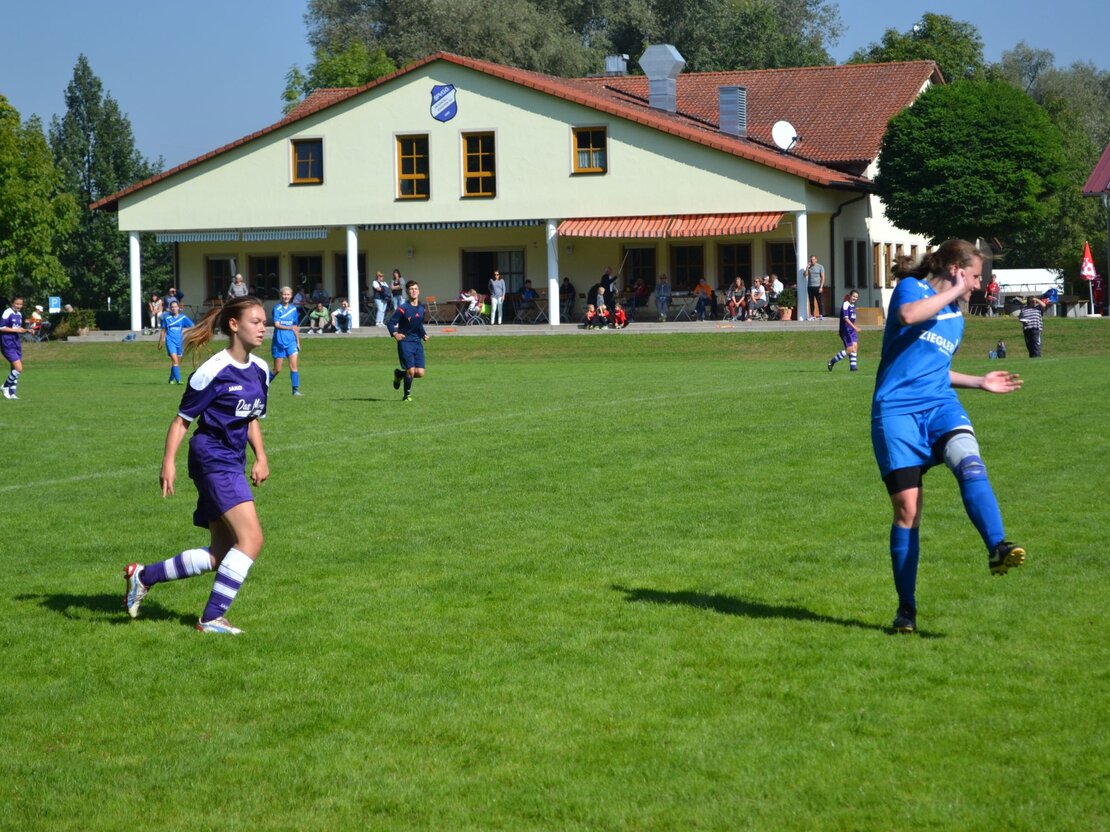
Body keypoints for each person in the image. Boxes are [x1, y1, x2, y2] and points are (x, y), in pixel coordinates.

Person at [871, 239, 1025, 635]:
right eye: (974, 276)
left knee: (969, 462)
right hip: (897, 412)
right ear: (956, 270)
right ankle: (906, 610)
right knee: (907, 511)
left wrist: (979, 381)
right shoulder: (912, 289)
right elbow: (907, 316)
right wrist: (954, 291)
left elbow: (937, 370)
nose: (977, 284)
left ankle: (998, 546)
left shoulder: (956, 317)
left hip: (940, 406)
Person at [123, 296, 270, 636]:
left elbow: (250, 417)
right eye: (256, 321)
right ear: (234, 325)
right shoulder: (212, 371)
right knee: (251, 539)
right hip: (212, 458)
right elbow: (181, 421)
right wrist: (168, 463)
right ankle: (211, 619)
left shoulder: (260, 370)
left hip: (232, 460)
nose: (263, 328)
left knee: (220, 554)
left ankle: (143, 576)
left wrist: (261, 456)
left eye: (264, 322)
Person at [388, 279, 428, 402]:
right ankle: (406, 396)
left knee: (420, 373)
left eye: (415, 289)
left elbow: (418, 324)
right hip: (405, 342)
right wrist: (395, 334)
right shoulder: (403, 308)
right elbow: (390, 322)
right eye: (411, 289)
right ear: (407, 292)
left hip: (417, 343)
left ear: (419, 291)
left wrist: (423, 334)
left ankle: (399, 375)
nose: (413, 291)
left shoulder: (422, 308)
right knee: (410, 370)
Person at [270, 286, 303, 396]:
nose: (286, 296)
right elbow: (276, 324)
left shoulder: (293, 309)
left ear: (291, 296)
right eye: (284, 294)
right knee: (277, 369)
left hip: (291, 342)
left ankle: (295, 390)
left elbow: (295, 327)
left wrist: (298, 342)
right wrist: (289, 328)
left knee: (294, 366)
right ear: (281, 295)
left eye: (288, 295)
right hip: (279, 342)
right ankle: (263, 385)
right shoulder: (277, 308)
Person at [158, 300, 194, 384]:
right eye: (172, 307)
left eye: (175, 307)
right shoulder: (167, 318)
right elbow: (163, 331)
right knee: (175, 360)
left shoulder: (183, 318)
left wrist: (191, 335)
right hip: (170, 341)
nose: (174, 308)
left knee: (176, 362)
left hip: (179, 342)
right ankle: (178, 380)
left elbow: (192, 326)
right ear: (170, 308)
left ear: (178, 307)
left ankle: (171, 379)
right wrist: (160, 342)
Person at [827, 290, 861, 371]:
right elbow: (846, 319)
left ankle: (853, 368)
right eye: (853, 296)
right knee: (849, 349)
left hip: (852, 330)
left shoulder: (853, 306)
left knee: (855, 347)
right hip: (845, 330)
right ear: (850, 296)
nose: (855, 298)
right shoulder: (846, 304)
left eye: (856, 297)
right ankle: (831, 362)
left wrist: (853, 328)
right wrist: (855, 327)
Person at [1, 296, 27, 400]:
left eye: (20, 304)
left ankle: (12, 393)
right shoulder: (7, 312)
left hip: (16, 343)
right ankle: (5, 387)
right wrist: (16, 330)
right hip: (7, 343)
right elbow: (1, 327)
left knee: (14, 369)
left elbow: (16, 328)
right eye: (17, 304)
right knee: (19, 368)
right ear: (12, 303)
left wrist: (27, 330)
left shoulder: (19, 314)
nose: (19, 306)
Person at [803, 255, 825, 320]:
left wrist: (821, 287)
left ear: (816, 260)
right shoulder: (809, 267)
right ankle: (812, 315)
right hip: (810, 286)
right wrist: (807, 268)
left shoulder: (820, 267)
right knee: (811, 302)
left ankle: (821, 315)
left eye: (813, 259)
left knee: (820, 301)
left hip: (817, 286)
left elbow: (823, 277)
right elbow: (805, 275)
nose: (812, 261)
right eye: (811, 260)